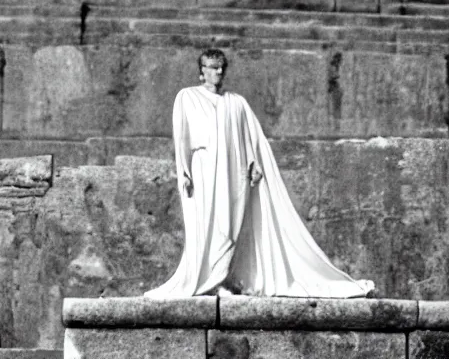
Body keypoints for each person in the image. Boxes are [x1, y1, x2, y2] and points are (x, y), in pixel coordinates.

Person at [144, 49, 373, 298]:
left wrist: (253, 163)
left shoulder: (237, 102)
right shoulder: (187, 97)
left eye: (221, 67)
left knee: (231, 224)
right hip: (204, 168)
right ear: (202, 71)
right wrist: (184, 171)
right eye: (212, 67)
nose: (218, 72)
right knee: (207, 224)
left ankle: (222, 278)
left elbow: (252, 137)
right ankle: (209, 281)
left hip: (234, 170)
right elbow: (182, 137)